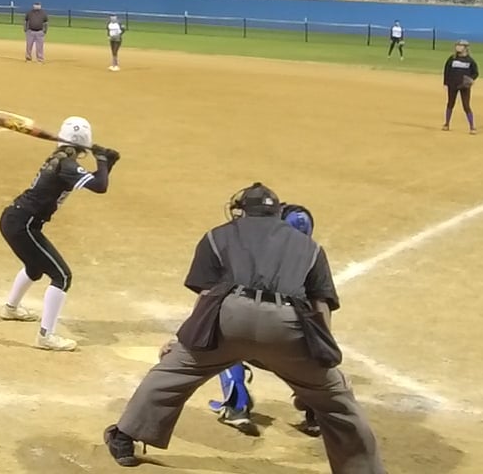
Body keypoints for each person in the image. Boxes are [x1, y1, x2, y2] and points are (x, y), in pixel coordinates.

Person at [103, 183, 384, 472]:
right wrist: (321, 361)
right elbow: (320, 306)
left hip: (230, 319)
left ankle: (124, 438)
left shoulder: (217, 236)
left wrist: (182, 340)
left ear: (243, 211)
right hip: (286, 326)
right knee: (337, 401)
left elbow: (207, 297)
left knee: (173, 373)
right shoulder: (310, 246)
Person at [0, 116, 118, 351]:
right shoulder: (68, 166)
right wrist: (102, 160)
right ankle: (46, 336)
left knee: (35, 267)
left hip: (15, 220)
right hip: (23, 225)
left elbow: (96, 180)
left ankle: (10, 309)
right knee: (62, 276)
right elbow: (100, 186)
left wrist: (107, 163)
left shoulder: (61, 160)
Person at [208, 202, 321, 437]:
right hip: (294, 349)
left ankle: (236, 405)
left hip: (250, 337)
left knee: (220, 332)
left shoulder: (248, 259)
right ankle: (316, 412)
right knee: (313, 348)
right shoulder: (313, 261)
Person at [441, 40, 479, 133]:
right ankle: (446, 124)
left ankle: (472, 127)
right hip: (453, 85)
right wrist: (446, 83)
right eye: (457, 45)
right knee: (450, 103)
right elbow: (446, 70)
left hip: (464, 87)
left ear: (465, 48)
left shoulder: (470, 61)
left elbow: (475, 73)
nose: (457, 47)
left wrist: (471, 79)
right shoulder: (452, 59)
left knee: (466, 106)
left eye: (460, 45)